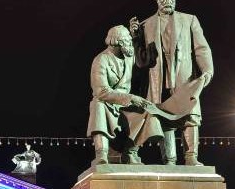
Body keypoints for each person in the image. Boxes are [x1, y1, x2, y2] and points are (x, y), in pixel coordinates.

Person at [130, 0, 214, 166]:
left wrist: (207, 70)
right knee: (164, 117)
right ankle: (169, 160)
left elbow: (201, 49)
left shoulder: (189, 19)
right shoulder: (146, 25)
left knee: (191, 115)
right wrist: (136, 38)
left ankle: (191, 157)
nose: (167, 1)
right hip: (158, 78)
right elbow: (141, 62)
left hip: (184, 77)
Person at [87, 26, 164, 166]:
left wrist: (137, 35)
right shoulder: (101, 60)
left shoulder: (128, 56)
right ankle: (101, 154)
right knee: (97, 104)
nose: (130, 45)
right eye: (127, 41)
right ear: (119, 43)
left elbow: (144, 61)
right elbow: (101, 92)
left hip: (125, 106)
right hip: (108, 104)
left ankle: (130, 152)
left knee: (148, 110)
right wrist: (131, 98)